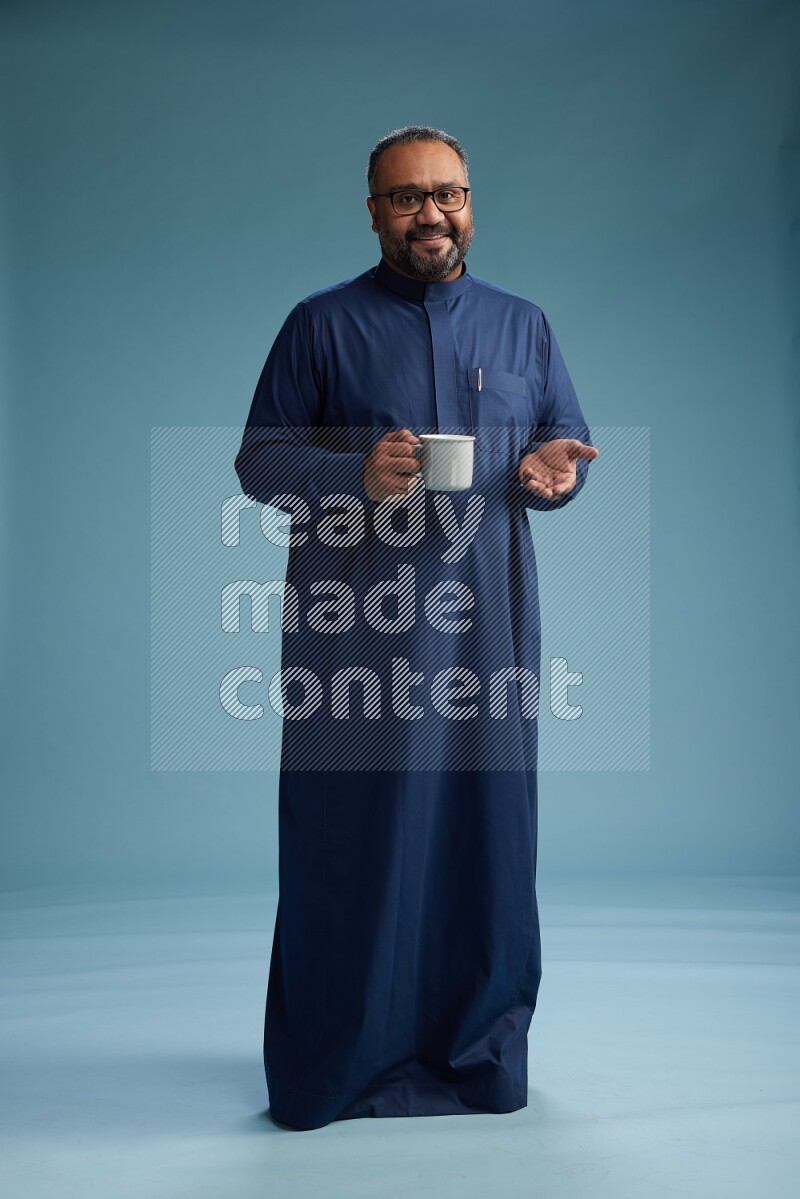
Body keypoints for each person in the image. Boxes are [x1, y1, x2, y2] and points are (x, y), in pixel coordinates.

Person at [234, 125, 598, 1130]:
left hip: (487, 637)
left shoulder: (522, 327)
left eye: (449, 194)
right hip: (355, 634)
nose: (431, 213)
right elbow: (259, 461)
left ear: (469, 201)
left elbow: (556, 449)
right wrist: (351, 474)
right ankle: (337, 1065)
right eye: (406, 198)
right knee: (349, 841)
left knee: (485, 840)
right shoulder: (320, 326)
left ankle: (475, 1056)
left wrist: (546, 475)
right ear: (372, 210)